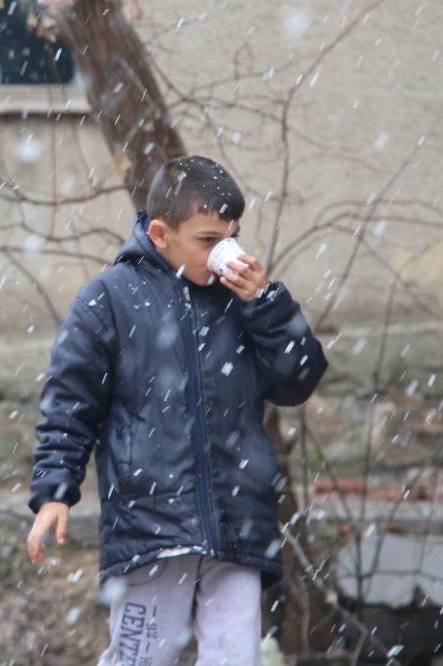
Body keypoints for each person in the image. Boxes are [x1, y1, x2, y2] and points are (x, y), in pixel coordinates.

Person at [26, 156, 328, 665]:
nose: (224, 252)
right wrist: (55, 491)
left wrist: (268, 305)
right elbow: (69, 404)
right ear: (161, 233)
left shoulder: (244, 302)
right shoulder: (109, 300)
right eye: (208, 241)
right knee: (142, 657)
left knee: (236, 658)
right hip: (150, 524)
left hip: (239, 521)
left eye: (231, 236)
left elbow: (299, 379)